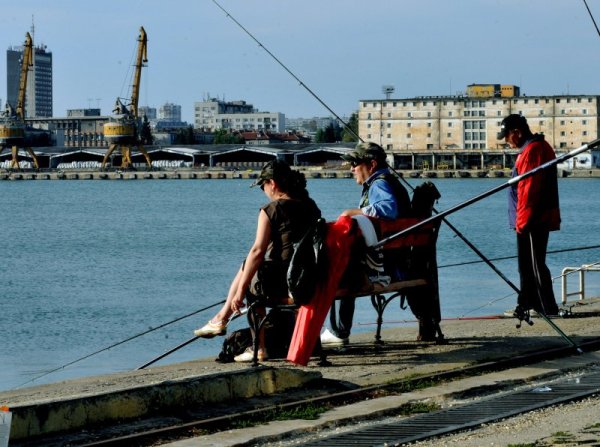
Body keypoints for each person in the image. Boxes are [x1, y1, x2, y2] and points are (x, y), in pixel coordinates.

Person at [194, 159, 321, 362]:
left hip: (286, 283)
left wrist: (241, 290)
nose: (263, 190)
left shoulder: (271, 210)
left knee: (253, 279)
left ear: (273, 183)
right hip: (310, 279)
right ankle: (221, 317)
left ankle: (258, 347)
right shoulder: (311, 206)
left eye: (263, 185)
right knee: (249, 265)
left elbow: (257, 251)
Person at [320, 142, 410, 347]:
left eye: (355, 164)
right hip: (400, 262)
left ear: (371, 164)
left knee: (337, 269)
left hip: (386, 268)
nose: (351, 168)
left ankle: (338, 330)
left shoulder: (379, 183)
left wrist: (352, 213)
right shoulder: (391, 181)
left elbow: (388, 209)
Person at [498, 114, 561, 318]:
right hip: (532, 216)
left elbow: (528, 190)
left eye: (507, 136)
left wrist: (522, 222)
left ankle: (545, 306)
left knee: (533, 264)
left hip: (533, 218)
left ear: (516, 132)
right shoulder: (535, 148)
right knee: (528, 264)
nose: (507, 141)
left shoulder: (533, 150)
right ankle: (529, 304)